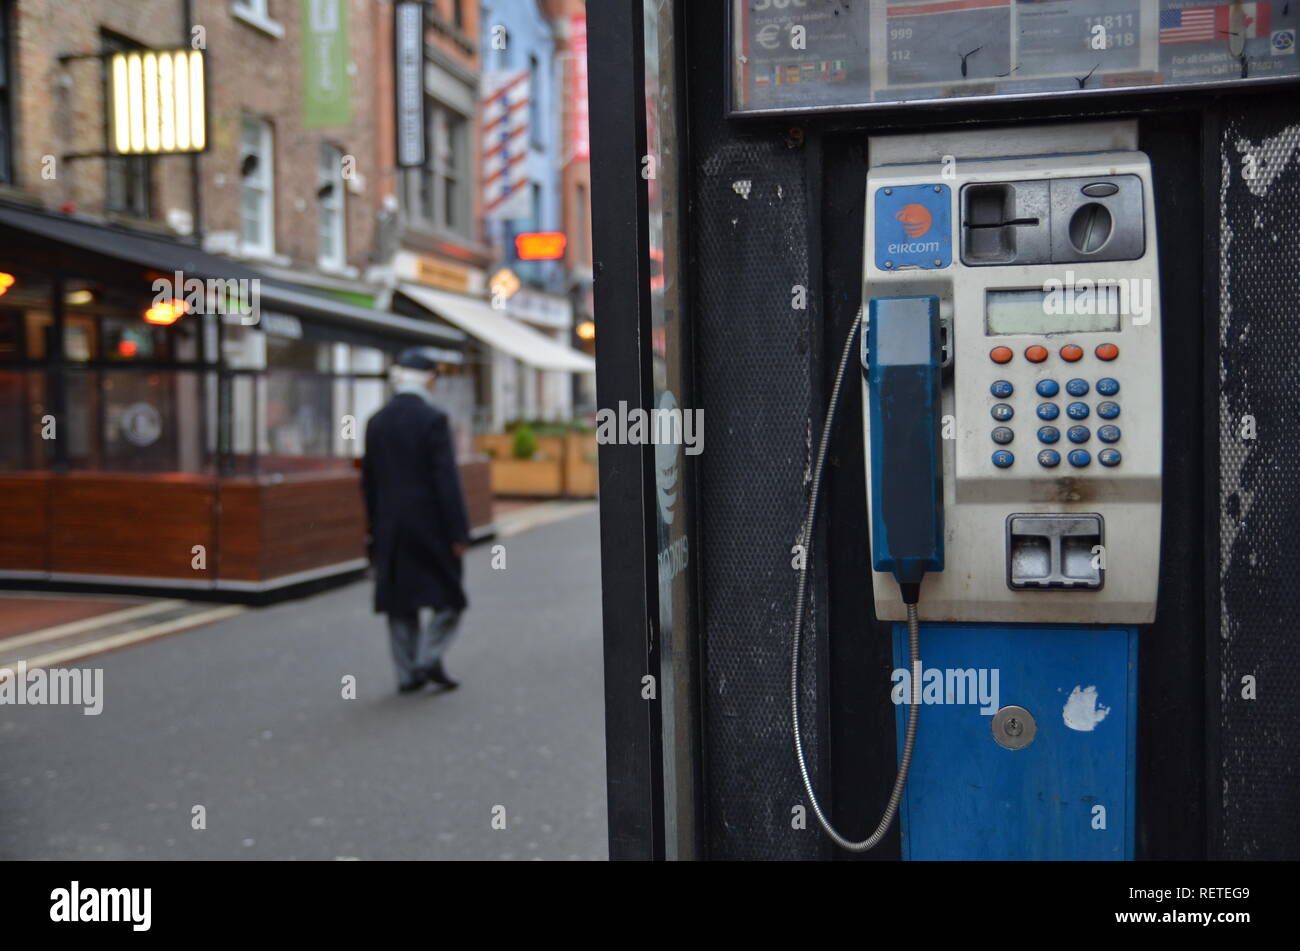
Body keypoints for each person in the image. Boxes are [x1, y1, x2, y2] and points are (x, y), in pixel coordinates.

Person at [362, 347, 471, 694]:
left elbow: (369, 482)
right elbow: (446, 480)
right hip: (431, 524)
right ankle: (428, 657)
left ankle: (407, 673)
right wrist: (458, 531)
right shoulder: (433, 420)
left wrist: (373, 528)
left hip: (390, 525)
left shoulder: (376, 422)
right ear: (428, 378)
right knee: (450, 598)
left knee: (400, 601)